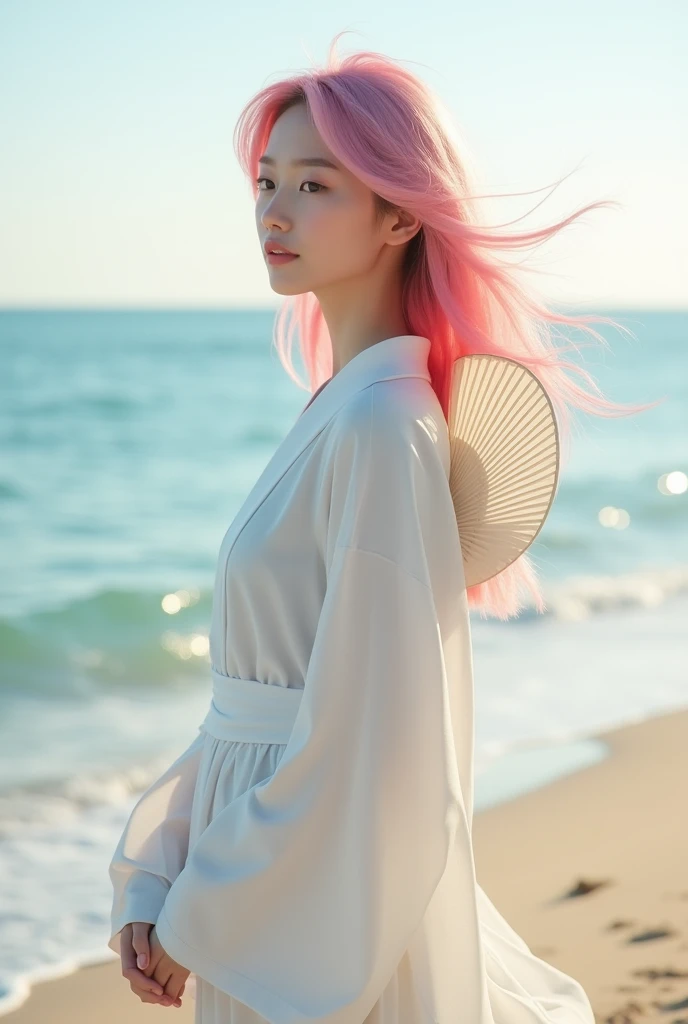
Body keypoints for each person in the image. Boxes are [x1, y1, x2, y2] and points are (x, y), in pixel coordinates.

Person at [107, 32, 641, 1023]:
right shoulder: (342, 406)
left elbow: (367, 740)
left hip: (306, 898)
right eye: (266, 181)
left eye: (315, 186)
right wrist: (159, 873)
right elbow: (251, 702)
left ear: (399, 212)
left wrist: (200, 910)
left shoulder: (382, 423)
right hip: (254, 877)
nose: (272, 209)